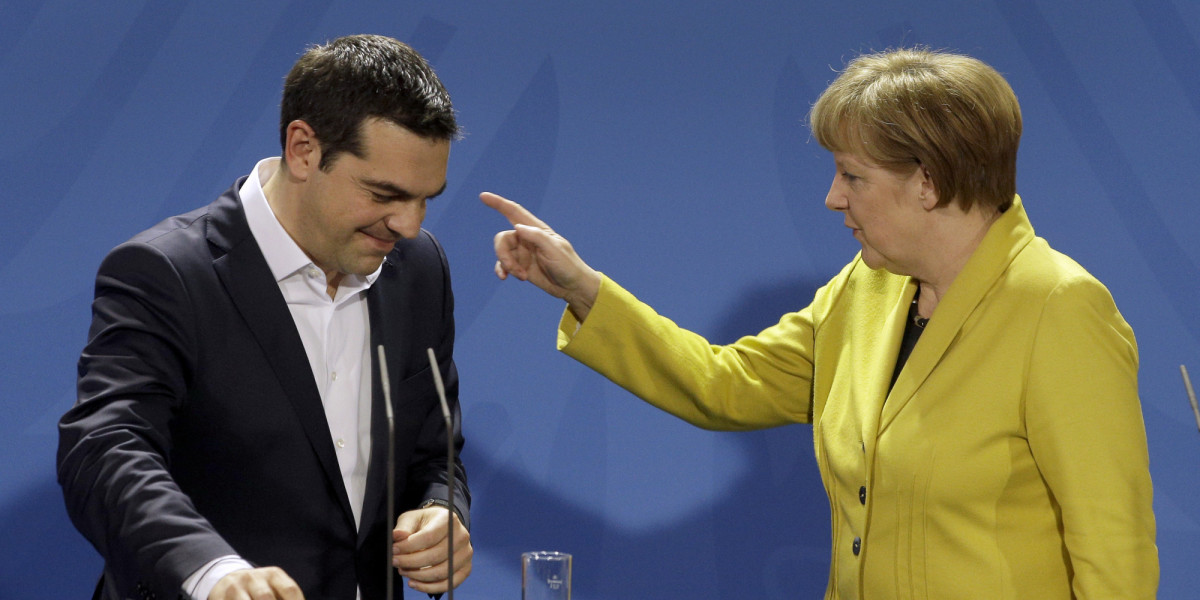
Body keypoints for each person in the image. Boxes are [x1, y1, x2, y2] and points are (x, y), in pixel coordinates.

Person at [482, 48, 1157, 598]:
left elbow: (1113, 555)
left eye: (852, 176)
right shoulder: (866, 288)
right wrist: (584, 289)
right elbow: (726, 384)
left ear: (926, 180)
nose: (833, 199)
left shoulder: (1058, 308)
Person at [58, 34, 471, 600]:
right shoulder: (166, 273)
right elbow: (105, 449)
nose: (407, 224)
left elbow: (433, 451)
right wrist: (214, 571)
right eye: (384, 193)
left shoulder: (420, 270)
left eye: (427, 198)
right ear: (303, 149)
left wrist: (441, 510)